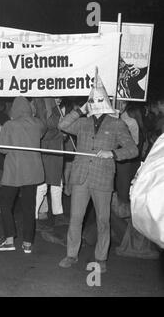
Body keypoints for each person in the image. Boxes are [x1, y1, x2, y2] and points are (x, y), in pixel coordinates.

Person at [58, 73, 138, 273]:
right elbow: (62, 125)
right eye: (92, 100)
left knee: (103, 220)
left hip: (102, 178)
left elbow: (133, 149)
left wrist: (112, 153)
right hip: (80, 177)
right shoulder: (83, 122)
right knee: (76, 218)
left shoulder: (117, 124)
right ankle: (71, 254)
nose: (95, 103)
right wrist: (80, 109)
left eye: (97, 99)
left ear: (107, 101)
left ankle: (101, 258)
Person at [0, 97, 46, 254]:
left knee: (4, 203)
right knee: (29, 208)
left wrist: (0, 131)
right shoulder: (38, 123)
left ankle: (10, 240)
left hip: (14, 171)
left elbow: (3, 149)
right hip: (32, 171)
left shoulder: (9, 125)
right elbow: (42, 133)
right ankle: (27, 243)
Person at [33, 98, 68, 227]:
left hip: (56, 152)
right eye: (57, 97)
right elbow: (44, 131)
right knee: (41, 186)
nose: (59, 99)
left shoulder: (57, 110)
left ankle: (58, 214)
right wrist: (60, 132)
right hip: (45, 152)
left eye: (60, 97)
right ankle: (34, 217)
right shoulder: (43, 108)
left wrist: (63, 134)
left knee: (57, 185)